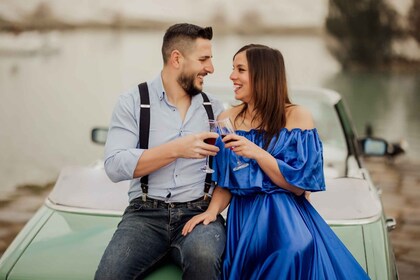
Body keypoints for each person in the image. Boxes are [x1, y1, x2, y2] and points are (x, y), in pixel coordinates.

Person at [182, 44, 370, 279]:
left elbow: (299, 187)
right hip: (245, 220)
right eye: (233, 69)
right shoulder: (226, 118)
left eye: (240, 70)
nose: (232, 76)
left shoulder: (297, 116)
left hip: (285, 220)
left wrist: (258, 153)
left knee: (291, 253)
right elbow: (227, 183)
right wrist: (211, 212)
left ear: (263, 75)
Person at [95, 23, 226, 280]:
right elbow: (113, 165)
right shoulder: (132, 102)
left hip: (199, 214)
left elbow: (232, 170)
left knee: (205, 260)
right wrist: (176, 149)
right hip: (143, 216)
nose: (211, 68)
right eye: (204, 59)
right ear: (176, 58)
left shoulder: (216, 109)